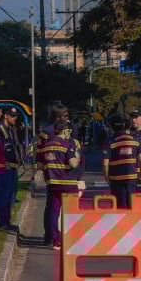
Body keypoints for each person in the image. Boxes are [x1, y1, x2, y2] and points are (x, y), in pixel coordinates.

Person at [41, 120, 81, 249]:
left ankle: (56, 241)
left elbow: (41, 165)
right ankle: (72, 239)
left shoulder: (46, 146)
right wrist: (77, 157)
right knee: (71, 212)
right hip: (68, 183)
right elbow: (73, 163)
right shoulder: (66, 145)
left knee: (54, 212)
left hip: (53, 183)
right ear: (64, 130)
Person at [37, 102, 70, 244]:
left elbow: (39, 152)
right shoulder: (63, 130)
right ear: (59, 117)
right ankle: (62, 236)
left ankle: (49, 235)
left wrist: (43, 166)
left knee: (51, 204)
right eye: (65, 115)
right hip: (64, 171)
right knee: (65, 206)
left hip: (49, 171)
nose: (67, 118)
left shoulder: (45, 131)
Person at [102, 114, 141, 208]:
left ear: (112, 126)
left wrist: (107, 178)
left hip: (116, 179)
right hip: (132, 178)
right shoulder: (135, 140)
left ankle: (121, 222)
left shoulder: (110, 142)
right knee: (132, 205)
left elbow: (105, 164)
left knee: (119, 207)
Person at [0, 106, 22, 230]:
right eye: (13, 116)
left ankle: (6, 220)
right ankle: (2, 221)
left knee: (9, 195)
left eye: (16, 116)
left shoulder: (10, 129)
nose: (15, 118)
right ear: (6, 116)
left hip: (11, 165)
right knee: (3, 194)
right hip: (4, 165)